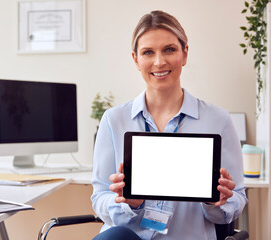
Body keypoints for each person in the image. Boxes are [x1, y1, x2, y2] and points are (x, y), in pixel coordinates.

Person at [91, 10, 248, 240]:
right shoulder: (114, 120)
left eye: (169, 49)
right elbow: (99, 198)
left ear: (184, 54)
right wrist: (128, 204)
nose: (159, 61)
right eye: (148, 52)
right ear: (136, 59)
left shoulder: (218, 120)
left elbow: (238, 199)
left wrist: (216, 201)